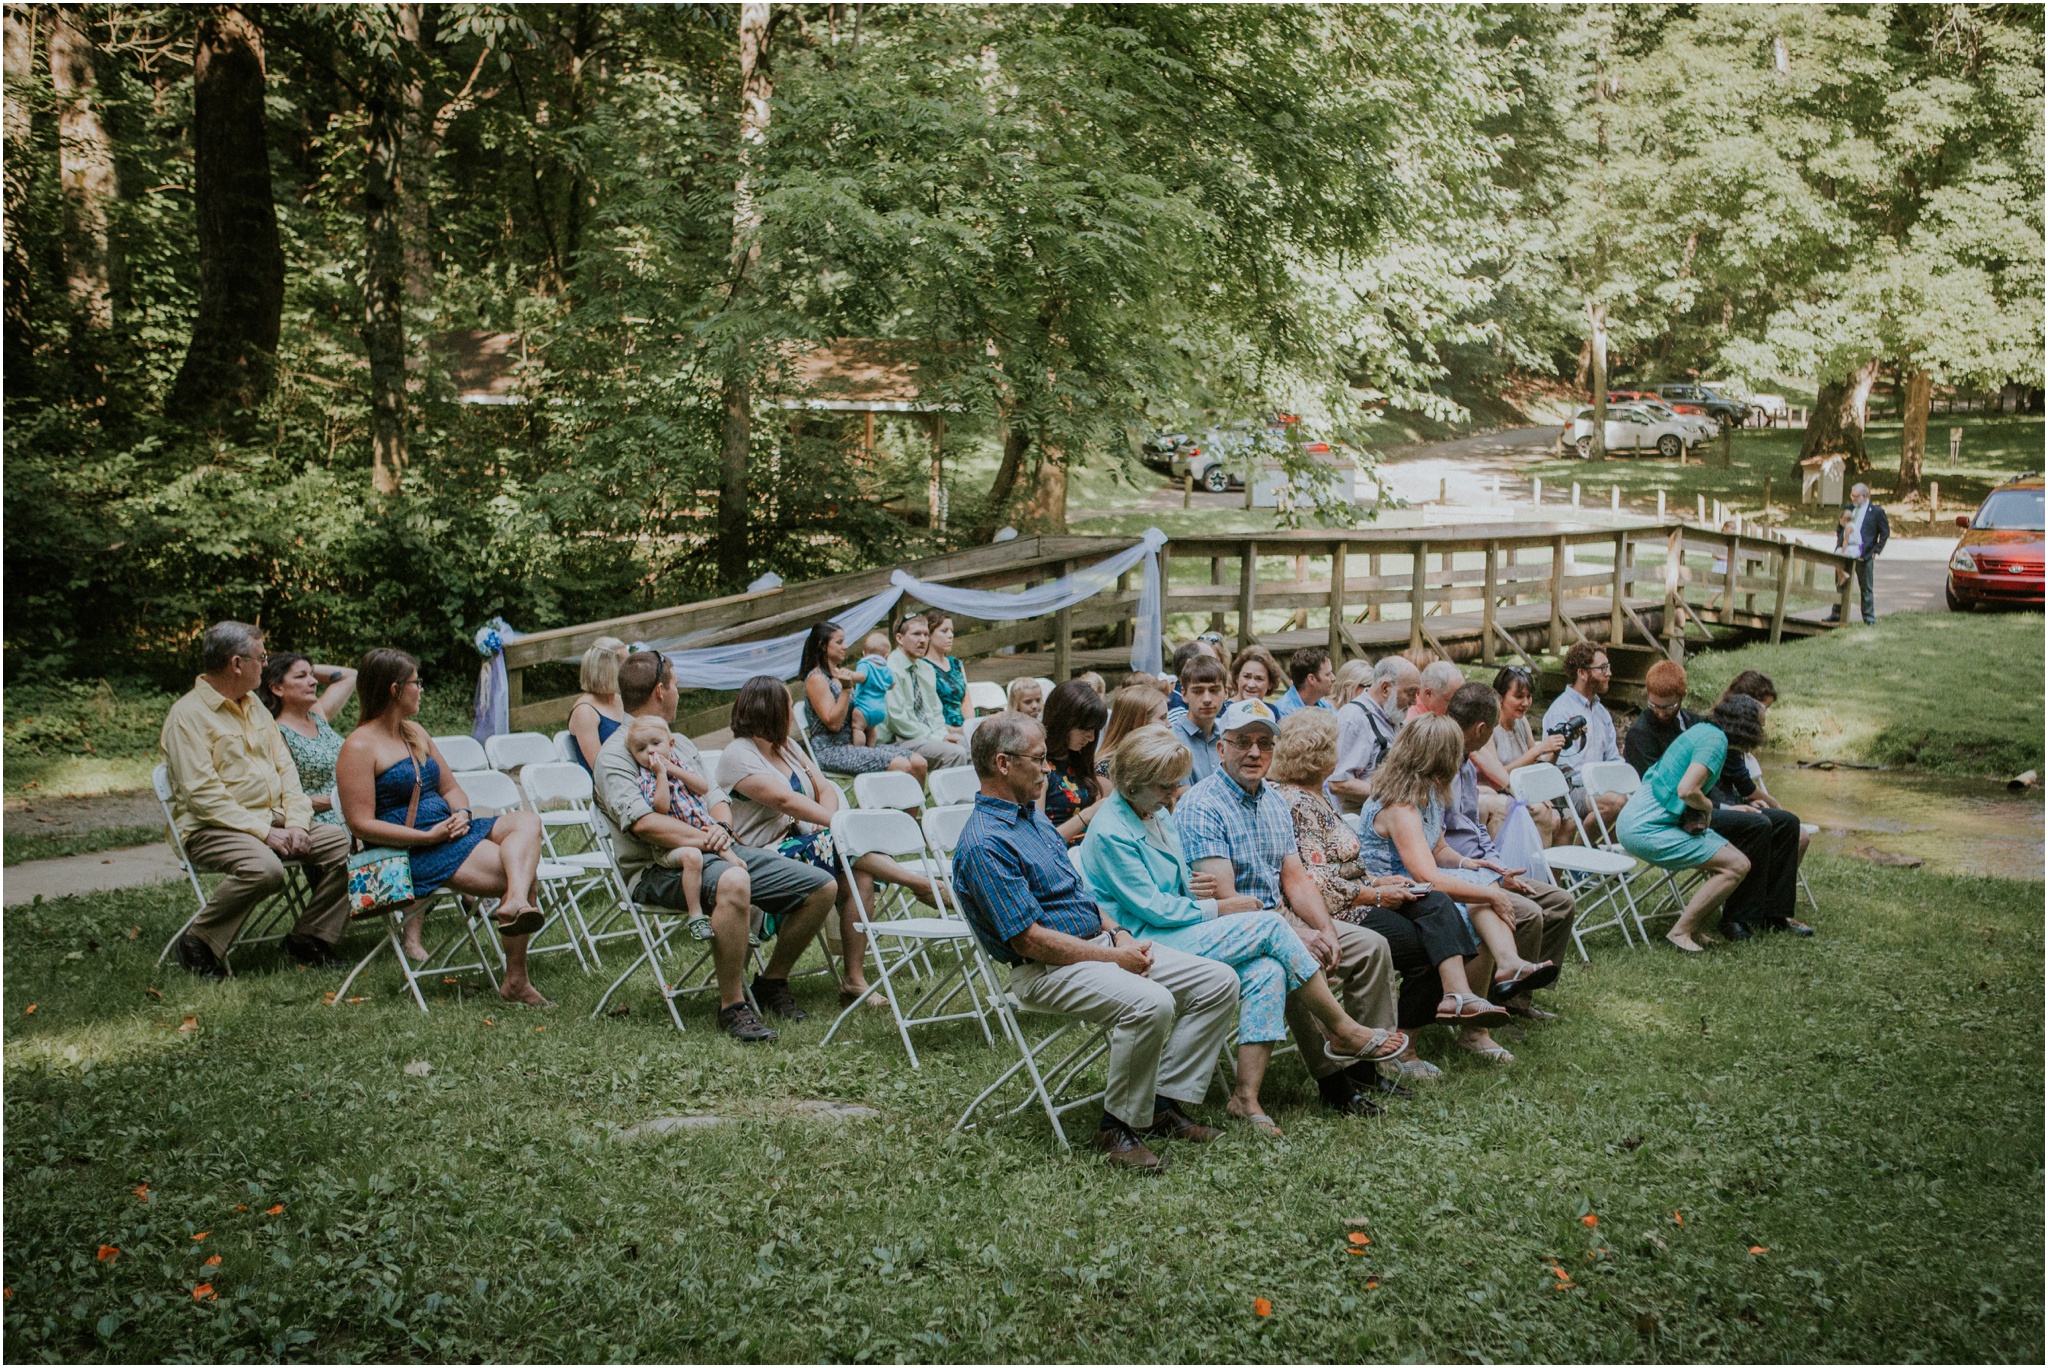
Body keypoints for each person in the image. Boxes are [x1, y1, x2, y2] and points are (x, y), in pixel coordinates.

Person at [1080, 725, 1407, 1138]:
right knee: (1270, 925)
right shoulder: (1111, 830)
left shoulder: (1154, 811)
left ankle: (1243, 1098)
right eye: (1164, 787)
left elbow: (1174, 881)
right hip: (1142, 938)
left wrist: (1189, 885)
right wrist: (1220, 905)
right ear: (1132, 783)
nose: (1171, 796)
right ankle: (1342, 1030)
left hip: (1176, 924)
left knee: (1268, 970)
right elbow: (1153, 908)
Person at [951, 713, 1241, 1172]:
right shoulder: (986, 843)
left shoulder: (1033, 820)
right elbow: (1030, 941)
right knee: (1151, 1003)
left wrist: (1120, 933)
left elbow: (1080, 895)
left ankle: (1162, 1101)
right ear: (1003, 764)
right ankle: (1116, 1128)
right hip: (1047, 970)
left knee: (1219, 981)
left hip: (1100, 946)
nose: (1048, 769)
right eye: (1040, 759)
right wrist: (1113, 955)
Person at [591, 652, 839, 1042]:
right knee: (734, 880)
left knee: (821, 886)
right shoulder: (615, 754)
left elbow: (714, 795)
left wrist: (722, 825)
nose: (678, 691)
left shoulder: (681, 743)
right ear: (661, 689)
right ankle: (732, 1007)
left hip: (716, 848)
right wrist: (708, 838)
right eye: (674, 684)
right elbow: (644, 823)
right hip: (659, 868)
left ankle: (772, 980)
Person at [1176, 699, 1406, 1115]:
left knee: (1370, 947)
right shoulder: (1202, 805)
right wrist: (1298, 935)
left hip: (1280, 913)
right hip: (1235, 923)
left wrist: (1327, 929)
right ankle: (1335, 1082)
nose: (1254, 753)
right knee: (1296, 960)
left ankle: (1366, 1066)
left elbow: (1295, 877)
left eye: (1264, 743)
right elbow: (1226, 899)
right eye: (1242, 741)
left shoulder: (1273, 800)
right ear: (1221, 748)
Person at [1267, 708, 1506, 1063]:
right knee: (1426, 946)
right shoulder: (1298, 802)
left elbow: (1337, 866)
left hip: (1361, 895)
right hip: (1340, 911)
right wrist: (1377, 893)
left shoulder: (1316, 795)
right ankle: (1403, 1048)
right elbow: (1317, 884)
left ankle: (1457, 995)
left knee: (1434, 899)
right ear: (1320, 755)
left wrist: (1379, 881)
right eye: (1334, 745)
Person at [336, 648, 551, 1004]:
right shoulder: (358, 746)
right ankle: (516, 979)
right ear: (394, 689)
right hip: (409, 849)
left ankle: (513, 904)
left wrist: (463, 813)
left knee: (526, 820)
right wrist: (425, 836)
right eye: (416, 683)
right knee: (522, 874)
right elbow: (361, 825)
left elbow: (450, 788)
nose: (421, 689)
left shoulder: (414, 732)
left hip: (449, 830)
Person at [718, 675, 943, 1010]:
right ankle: (922, 884)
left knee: (860, 872)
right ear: (769, 711)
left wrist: (830, 826)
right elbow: (784, 800)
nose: (793, 715)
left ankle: (853, 978)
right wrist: (837, 826)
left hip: (806, 844)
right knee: (842, 846)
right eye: (786, 706)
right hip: (761, 854)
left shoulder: (788, 747)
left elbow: (825, 788)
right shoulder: (739, 754)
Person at [1356, 714, 1561, 1063]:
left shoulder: (1428, 793)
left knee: (1479, 889)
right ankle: (1432, 1035)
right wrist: (1489, 892)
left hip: (1422, 890)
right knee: (1473, 904)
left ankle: (1506, 970)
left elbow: (1437, 851)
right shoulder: (1400, 805)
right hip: (1391, 893)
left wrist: (1471, 865)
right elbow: (1427, 876)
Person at [159, 622, 353, 977]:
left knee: (343, 844)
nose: (266, 665)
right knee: (266, 869)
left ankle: (308, 937)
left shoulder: (255, 708)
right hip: (211, 827)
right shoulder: (187, 717)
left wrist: (295, 822)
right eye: (261, 657)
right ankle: (198, 942)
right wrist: (265, 832)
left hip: (272, 819)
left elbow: (286, 773)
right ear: (236, 664)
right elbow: (203, 797)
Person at [1623, 662, 1808, 938]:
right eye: (1656, 705)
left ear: (1681, 698)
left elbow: (1726, 776)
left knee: (1786, 822)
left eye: (1668, 706)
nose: (1661, 712)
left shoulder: (1699, 724)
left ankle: (1774, 914)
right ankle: (1737, 919)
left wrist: (1735, 804)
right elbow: (1673, 790)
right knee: (1756, 826)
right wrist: (1719, 807)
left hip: (1702, 805)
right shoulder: (1643, 734)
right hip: (1678, 814)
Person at [1442, 684, 1578, 1019]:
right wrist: (1487, 871)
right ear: (1482, 730)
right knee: (1528, 913)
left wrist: (1501, 867)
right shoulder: (1440, 768)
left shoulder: (1466, 766)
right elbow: (1437, 845)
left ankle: (1520, 999)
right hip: (1460, 872)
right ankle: (1495, 1003)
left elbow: (1474, 827)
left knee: (1561, 902)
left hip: (1485, 867)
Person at [1615, 693, 1767, 953]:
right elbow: (1687, 790)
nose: (1762, 731)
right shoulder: (1714, 742)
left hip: (1651, 820)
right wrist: (1707, 806)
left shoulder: (1707, 731)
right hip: (1644, 828)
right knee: (1736, 866)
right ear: (1747, 725)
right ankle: (1680, 932)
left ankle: (1696, 928)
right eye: (1760, 725)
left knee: (1738, 859)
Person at [797, 622, 927, 780]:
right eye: (839, 642)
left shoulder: (841, 673)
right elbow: (833, 723)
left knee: (919, 763)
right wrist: (846, 689)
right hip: (832, 750)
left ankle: (911, 806)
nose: (845, 646)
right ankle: (890, 805)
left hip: (859, 744)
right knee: (901, 765)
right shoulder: (817, 679)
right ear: (823, 646)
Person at [623, 715, 708, 935]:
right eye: (641, 749)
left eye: (655, 744)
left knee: (737, 860)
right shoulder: (646, 779)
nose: (650, 751)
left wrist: (673, 770)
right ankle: (696, 914)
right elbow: (660, 807)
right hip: (671, 846)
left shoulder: (681, 766)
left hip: (702, 831)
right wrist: (661, 775)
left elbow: (703, 787)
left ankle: (742, 921)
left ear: (671, 744)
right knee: (693, 857)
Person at [257, 653, 358, 827]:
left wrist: (305, 666)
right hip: (321, 823)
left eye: (311, 675)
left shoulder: (317, 714)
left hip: (352, 811)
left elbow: (350, 675)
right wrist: (337, 800)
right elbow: (282, 798)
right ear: (277, 688)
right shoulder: (276, 733)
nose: (314, 681)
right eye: (301, 676)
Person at [1541, 639, 1625, 834]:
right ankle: (1582, 855)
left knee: (1635, 798)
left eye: (1608, 667)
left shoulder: (1601, 712)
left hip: (1597, 785)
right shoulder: (1560, 711)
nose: (1609, 673)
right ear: (1582, 673)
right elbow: (1565, 768)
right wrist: (1601, 784)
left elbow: (1613, 759)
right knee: (1615, 801)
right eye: (1602, 668)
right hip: (1570, 789)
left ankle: (1599, 852)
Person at [879, 611, 970, 769]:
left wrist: (942, 734)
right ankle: (948, 794)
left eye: (926, 634)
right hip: (898, 739)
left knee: (975, 748)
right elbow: (898, 720)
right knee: (955, 753)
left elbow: (934, 711)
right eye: (916, 634)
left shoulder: (925, 669)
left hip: (926, 736)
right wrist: (936, 738)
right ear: (899, 638)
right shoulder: (889, 669)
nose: (922, 640)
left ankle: (974, 794)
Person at [1486, 666, 1565, 845]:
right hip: (1496, 792)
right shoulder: (1490, 727)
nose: (1526, 703)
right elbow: (1495, 774)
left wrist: (1555, 751)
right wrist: (1536, 750)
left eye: (1529, 696)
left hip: (1524, 790)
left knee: (1562, 818)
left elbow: (1537, 768)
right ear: (1500, 696)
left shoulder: (1522, 722)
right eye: (1519, 696)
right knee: (1545, 815)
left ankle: (1545, 870)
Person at [1329, 656, 1412, 814]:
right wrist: (1394, 795)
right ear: (1385, 688)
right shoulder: (1354, 718)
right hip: (1361, 823)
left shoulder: (1393, 715)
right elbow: (1339, 783)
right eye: (1410, 693)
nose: (1414, 701)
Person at [1040, 679, 1109, 842]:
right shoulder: (1040, 770)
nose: (1091, 737)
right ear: (1063, 722)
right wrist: (1089, 814)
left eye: (1094, 730)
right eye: (1085, 728)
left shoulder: (1078, 761)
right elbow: (1040, 842)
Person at [1829, 481, 1890, 624]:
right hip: (1846, 553)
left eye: (1856, 496)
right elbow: (1840, 527)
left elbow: (1885, 532)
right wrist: (1841, 540)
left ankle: (1869, 618)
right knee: (1841, 583)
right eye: (1852, 496)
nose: (1853, 499)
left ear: (1865, 496)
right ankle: (1836, 614)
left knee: (1866, 588)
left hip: (1864, 554)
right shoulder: (1849, 508)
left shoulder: (1876, 512)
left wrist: (1876, 550)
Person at [565, 637, 629, 772]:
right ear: (608, 670)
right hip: (609, 784)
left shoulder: (621, 700)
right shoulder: (585, 712)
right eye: (626, 665)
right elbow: (599, 768)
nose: (631, 670)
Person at [1169, 653, 1228, 785]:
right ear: (1184, 694)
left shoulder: (1228, 735)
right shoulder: (1172, 741)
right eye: (1198, 691)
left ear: (1226, 693)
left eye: (1214, 690)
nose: (1207, 699)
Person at [1095, 684, 1169, 777]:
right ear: (1139, 722)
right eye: (1162, 718)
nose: (1169, 725)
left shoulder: (1156, 758)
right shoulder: (1107, 769)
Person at [925, 612, 968, 728]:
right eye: (944, 631)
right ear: (929, 635)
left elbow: (966, 702)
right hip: (939, 728)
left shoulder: (956, 664)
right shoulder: (923, 666)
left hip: (963, 726)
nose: (950, 635)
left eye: (951, 630)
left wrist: (970, 727)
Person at [1272, 646, 1335, 721]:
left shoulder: (1325, 706)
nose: (1334, 678)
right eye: (1328, 674)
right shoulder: (1282, 713)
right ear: (1311, 679)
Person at [850, 631, 895, 732]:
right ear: (886, 656)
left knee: (858, 729)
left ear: (864, 653)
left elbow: (861, 677)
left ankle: (858, 748)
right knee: (872, 730)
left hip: (864, 708)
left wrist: (850, 675)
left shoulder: (865, 664)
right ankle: (871, 747)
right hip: (880, 710)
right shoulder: (886, 669)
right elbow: (892, 685)